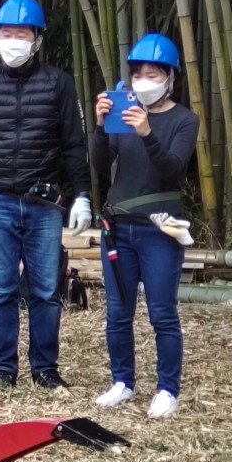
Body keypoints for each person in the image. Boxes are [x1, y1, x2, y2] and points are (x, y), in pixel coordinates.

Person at [0, 0, 91, 389]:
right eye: (7, 33)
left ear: (36, 38)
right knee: (0, 289)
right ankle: (4, 370)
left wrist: (82, 193)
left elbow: (73, 145)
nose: (13, 40)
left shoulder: (59, 84)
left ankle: (45, 368)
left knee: (46, 290)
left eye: (21, 33)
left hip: (45, 203)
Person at [92, 33, 198, 419]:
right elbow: (102, 167)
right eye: (137, 74)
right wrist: (101, 125)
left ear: (170, 78)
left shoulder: (184, 120)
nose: (144, 81)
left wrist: (147, 133)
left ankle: (168, 388)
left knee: (162, 313)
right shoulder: (124, 112)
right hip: (118, 227)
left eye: (153, 74)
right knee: (118, 312)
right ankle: (123, 382)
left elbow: (172, 170)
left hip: (160, 230)